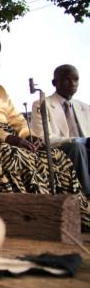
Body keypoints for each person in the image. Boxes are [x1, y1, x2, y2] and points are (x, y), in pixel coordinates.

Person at [0, 31, 89, 230]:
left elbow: (15, 118)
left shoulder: (0, 90)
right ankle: (31, 215)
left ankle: (67, 214)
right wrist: (7, 137)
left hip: (9, 135)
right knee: (9, 154)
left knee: (55, 157)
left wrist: (26, 135)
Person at [31, 64, 90, 195]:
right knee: (77, 147)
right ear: (55, 82)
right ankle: (86, 197)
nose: (73, 83)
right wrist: (81, 141)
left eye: (76, 79)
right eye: (67, 79)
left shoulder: (86, 108)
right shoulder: (41, 104)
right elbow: (43, 138)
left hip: (84, 149)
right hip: (60, 151)